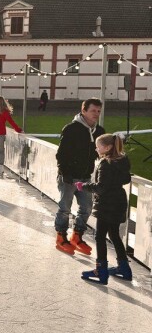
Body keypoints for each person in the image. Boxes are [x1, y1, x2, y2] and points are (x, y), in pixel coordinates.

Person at [77, 134, 132, 284]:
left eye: (98, 146)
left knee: (100, 237)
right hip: (119, 201)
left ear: (107, 148)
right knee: (114, 234)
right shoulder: (122, 160)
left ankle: (101, 271)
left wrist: (84, 186)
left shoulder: (105, 163)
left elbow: (101, 187)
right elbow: (126, 178)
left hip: (107, 204)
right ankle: (124, 268)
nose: (96, 148)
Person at [54, 98, 105, 256]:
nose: (96, 114)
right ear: (83, 111)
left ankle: (77, 236)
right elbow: (61, 154)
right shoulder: (71, 129)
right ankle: (61, 238)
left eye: (98, 111)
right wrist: (64, 173)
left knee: (86, 208)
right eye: (93, 111)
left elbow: (103, 152)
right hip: (68, 177)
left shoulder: (99, 131)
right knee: (64, 209)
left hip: (86, 178)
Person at [0, 95, 21, 177]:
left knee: (0, 151)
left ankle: (0, 168)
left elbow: (11, 121)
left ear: (0, 102)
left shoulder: (4, 112)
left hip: (0, 133)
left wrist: (17, 129)